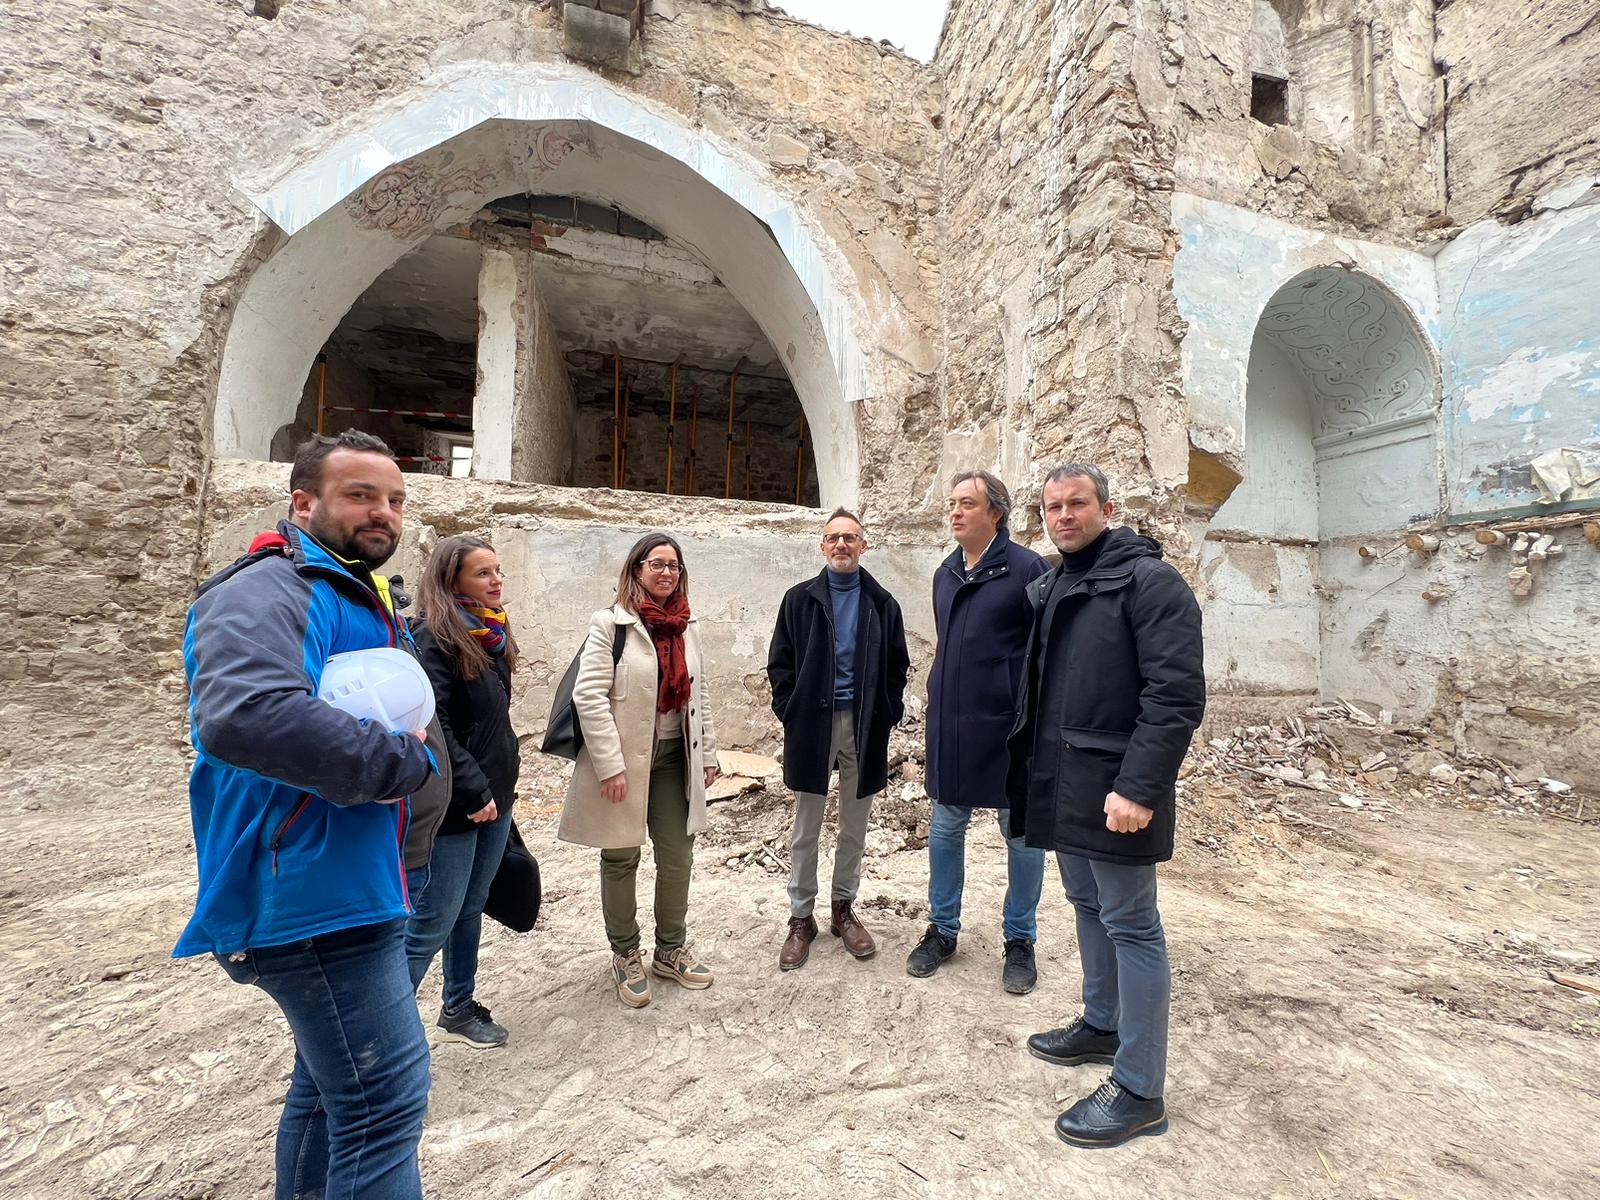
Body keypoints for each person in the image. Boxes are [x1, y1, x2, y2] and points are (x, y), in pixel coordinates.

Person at [175, 430, 443, 1199]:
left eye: (394, 499)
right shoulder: (269, 588)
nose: (383, 513)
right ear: (303, 502)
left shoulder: (349, 589)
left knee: (331, 1098)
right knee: (384, 1106)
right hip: (314, 903)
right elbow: (246, 715)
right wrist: (406, 765)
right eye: (361, 494)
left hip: (351, 886)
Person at [1006, 463, 1205, 1149]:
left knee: (1133, 925)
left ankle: (1141, 1089)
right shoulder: (1057, 582)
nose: (1064, 515)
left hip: (1118, 792)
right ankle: (1102, 1022)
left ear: (1107, 507)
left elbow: (1174, 696)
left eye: (1078, 504)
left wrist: (1140, 788)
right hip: (1065, 787)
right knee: (1088, 908)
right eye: (1053, 506)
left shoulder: (1150, 583)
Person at [558, 532, 719, 1008]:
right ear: (636, 570)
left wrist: (708, 753)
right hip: (625, 763)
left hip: (674, 759)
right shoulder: (611, 624)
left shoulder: (688, 627)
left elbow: (700, 693)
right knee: (622, 856)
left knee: (677, 855)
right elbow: (588, 696)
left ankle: (670, 949)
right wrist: (609, 766)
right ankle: (626, 953)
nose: (666, 573)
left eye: (674, 565)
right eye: (657, 564)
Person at [908, 471, 1050, 993]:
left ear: (996, 513)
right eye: (951, 504)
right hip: (951, 722)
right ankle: (943, 930)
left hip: (1009, 727)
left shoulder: (1027, 569)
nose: (955, 512)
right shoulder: (946, 572)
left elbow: (1043, 651)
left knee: (1021, 835)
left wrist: (1028, 712)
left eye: (967, 503)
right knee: (946, 827)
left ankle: (1021, 939)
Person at [768, 508, 910, 970]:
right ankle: (800, 917)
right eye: (833, 538)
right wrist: (789, 710)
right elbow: (780, 663)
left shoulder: (882, 602)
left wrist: (887, 714)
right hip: (812, 724)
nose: (841, 545)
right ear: (822, 546)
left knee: (854, 825)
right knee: (805, 827)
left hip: (863, 725)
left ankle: (843, 908)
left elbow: (896, 666)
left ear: (863, 545)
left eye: (850, 537)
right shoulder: (799, 600)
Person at [405, 535, 521, 1049]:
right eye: (483, 573)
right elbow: (436, 725)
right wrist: (474, 789)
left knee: (471, 905)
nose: (496, 581)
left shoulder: (489, 632)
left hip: (496, 793)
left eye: (497, 571)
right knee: (434, 919)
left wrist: (497, 786)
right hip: (456, 803)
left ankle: (457, 1006)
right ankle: (385, 1027)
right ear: (451, 580)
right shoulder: (435, 636)